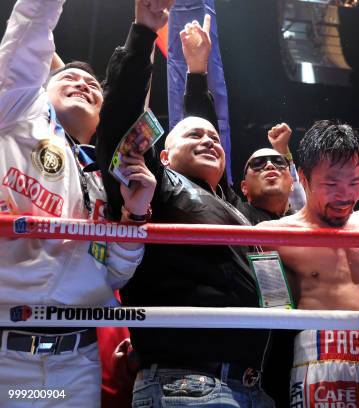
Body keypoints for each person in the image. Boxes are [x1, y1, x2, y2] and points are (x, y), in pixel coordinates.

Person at [95, 8, 275, 408]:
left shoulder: (229, 206)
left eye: (215, 138)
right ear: (165, 156)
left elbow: (206, 127)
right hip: (189, 385)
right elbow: (121, 126)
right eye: (195, 135)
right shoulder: (157, 187)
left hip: (247, 386)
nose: (210, 140)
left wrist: (198, 71)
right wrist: (143, 32)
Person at [0, 0, 157, 406]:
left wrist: (135, 215)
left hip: (76, 363)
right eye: (68, 77)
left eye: (94, 87)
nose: (84, 84)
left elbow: (117, 274)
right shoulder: (16, 113)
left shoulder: (107, 178)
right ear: (41, 86)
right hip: (4, 355)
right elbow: (29, 30)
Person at [259, 120, 359, 407]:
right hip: (320, 359)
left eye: (355, 182)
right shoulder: (274, 235)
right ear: (303, 177)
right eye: (331, 183)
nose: (345, 194)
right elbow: (271, 308)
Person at [238, 123, 305, 224]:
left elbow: (301, 204)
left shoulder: (306, 221)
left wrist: (282, 149)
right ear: (244, 187)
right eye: (258, 163)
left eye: (279, 162)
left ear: (292, 184)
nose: (270, 165)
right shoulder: (232, 216)